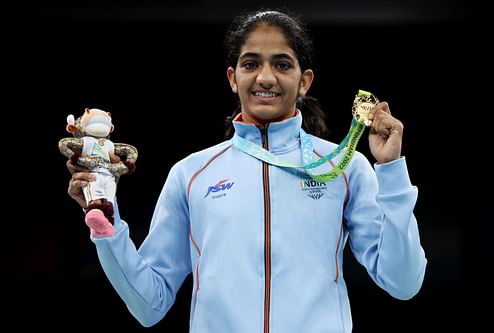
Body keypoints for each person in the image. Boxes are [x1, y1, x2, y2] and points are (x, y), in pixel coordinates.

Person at [67, 9, 427, 333]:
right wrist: (107, 225)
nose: (266, 77)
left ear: (305, 81)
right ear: (232, 77)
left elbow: (403, 280)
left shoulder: (343, 167)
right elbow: (150, 304)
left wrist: (391, 170)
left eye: (283, 64)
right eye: (251, 63)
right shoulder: (192, 174)